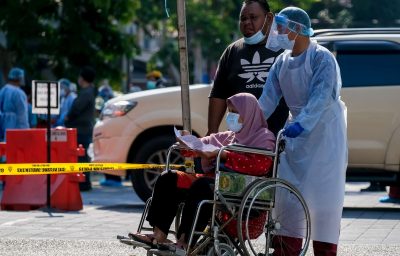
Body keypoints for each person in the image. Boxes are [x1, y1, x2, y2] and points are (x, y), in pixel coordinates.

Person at [129, 93, 276, 252]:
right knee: (169, 178)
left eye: (235, 112)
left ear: (248, 113)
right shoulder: (228, 137)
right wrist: (188, 143)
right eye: (229, 111)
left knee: (202, 186)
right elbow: (202, 144)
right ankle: (158, 235)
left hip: (241, 187)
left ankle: (185, 242)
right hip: (216, 181)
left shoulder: (264, 137)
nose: (230, 116)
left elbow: (261, 165)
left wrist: (224, 155)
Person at [258, 7, 348, 255]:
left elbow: (321, 98)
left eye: (282, 26)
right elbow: (267, 99)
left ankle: (325, 250)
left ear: (297, 29)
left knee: (324, 203)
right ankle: (286, 250)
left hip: (326, 136)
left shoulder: (321, 57)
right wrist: (247, 121)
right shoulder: (281, 62)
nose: (277, 32)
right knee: (288, 198)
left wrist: (302, 124)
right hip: (296, 136)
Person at [208, 0, 288, 136]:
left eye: (253, 17)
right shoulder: (232, 51)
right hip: (241, 140)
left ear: (268, 18)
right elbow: (218, 94)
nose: (246, 22)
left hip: (281, 140)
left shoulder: (284, 50)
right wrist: (212, 131)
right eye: (243, 18)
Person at [65, 66, 97, 191]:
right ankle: (84, 181)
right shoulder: (89, 92)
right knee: (82, 156)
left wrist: (68, 117)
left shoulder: (86, 93)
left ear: (83, 78)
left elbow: (77, 108)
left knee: (81, 157)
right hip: (84, 128)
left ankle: (83, 182)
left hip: (80, 129)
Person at [0, 67, 29, 142]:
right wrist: (26, 132)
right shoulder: (18, 93)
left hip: (3, 128)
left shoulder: (3, 90)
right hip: (16, 128)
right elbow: (22, 115)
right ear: (19, 78)